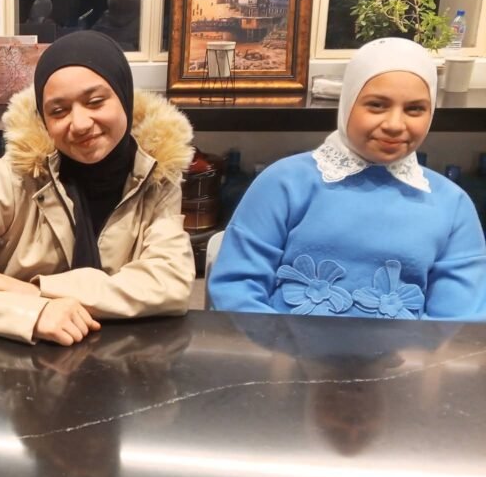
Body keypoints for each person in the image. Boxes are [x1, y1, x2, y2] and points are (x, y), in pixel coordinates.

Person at [0, 31, 195, 345]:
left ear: (124, 98)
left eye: (95, 102)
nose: (80, 124)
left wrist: (36, 290)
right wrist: (32, 312)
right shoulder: (11, 177)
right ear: (43, 118)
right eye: (58, 111)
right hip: (18, 359)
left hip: (123, 359)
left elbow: (170, 285)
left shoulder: (156, 177)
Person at [208, 37, 486, 319]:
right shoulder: (283, 184)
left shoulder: (452, 205)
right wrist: (278, 346)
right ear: (348, 102)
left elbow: (459, 321)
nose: (394, 125)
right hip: (279, 346)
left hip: (408, 350)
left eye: (415, 109)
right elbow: (237, 288)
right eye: (377, 105)